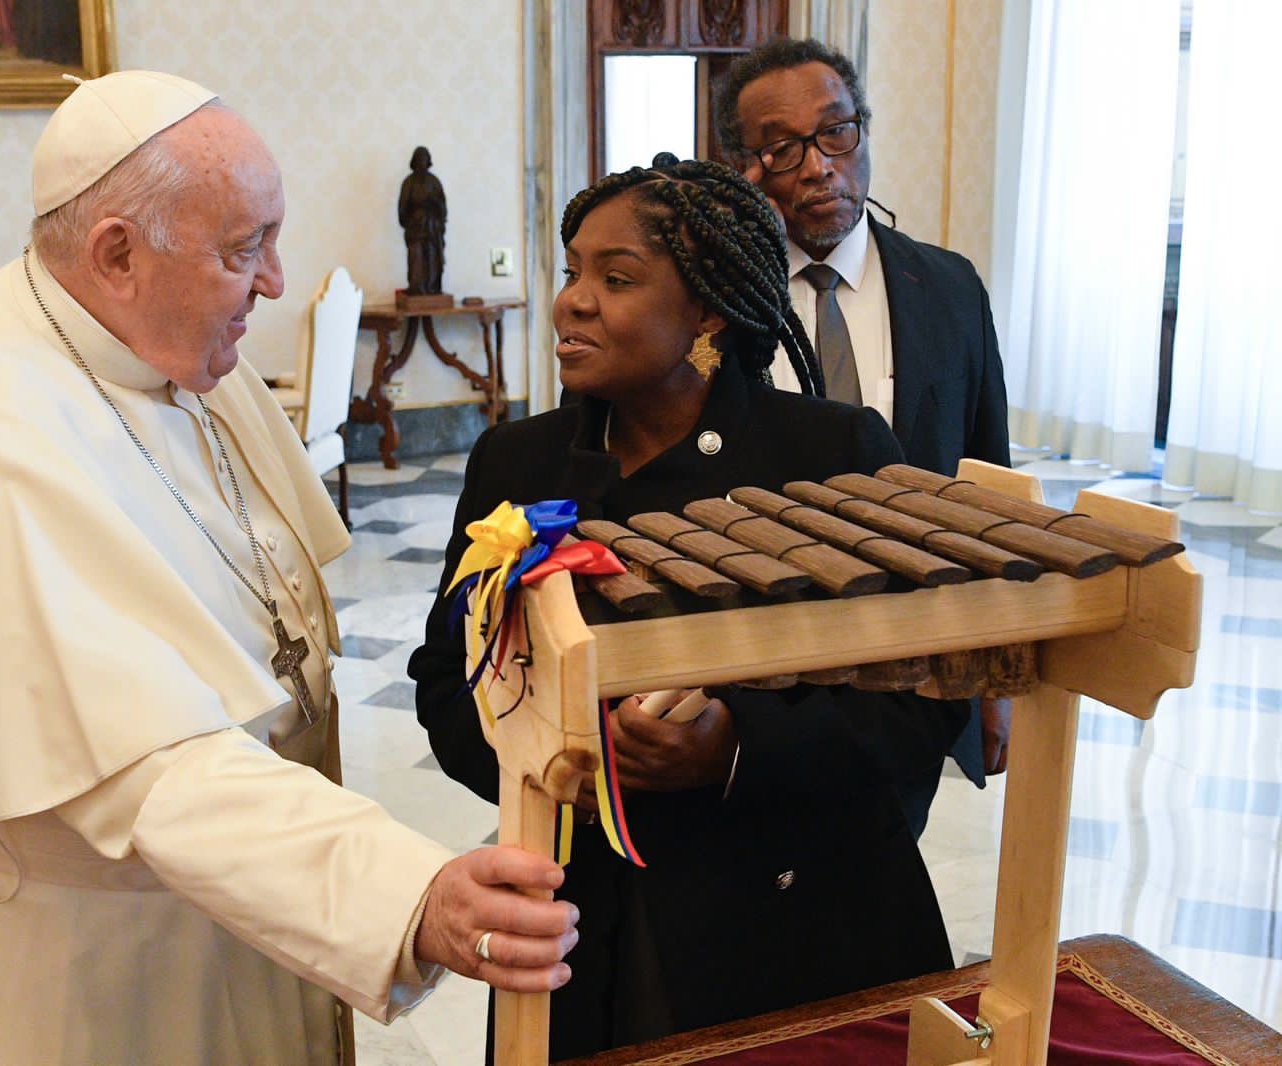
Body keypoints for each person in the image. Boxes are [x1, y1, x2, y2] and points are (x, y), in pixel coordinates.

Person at [0, 70, 577, 1066]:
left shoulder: (158, 343)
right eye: (243, 249)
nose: (274, 280)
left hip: (236, 886)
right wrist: (402, 895)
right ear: (117, 255)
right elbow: (147, 765)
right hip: (91, 949)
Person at [407, 155, 963, 1060]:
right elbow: (446, 680)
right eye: (573, 272)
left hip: (795, 921)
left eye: (617, 279)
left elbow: (925, 701)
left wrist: (735, 749)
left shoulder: (829, 454)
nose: (573, 302)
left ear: (706, 312)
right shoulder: (518, 462)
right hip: (584, 928)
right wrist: (562, 762)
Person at [715, 38, 1014, 832]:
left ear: (863, 130)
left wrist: (994, 678)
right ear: (744, 168)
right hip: (754, 665)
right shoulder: (712, 302)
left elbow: (986, 481)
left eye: (836, 132)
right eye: (782, 149)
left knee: (883, 861)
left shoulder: (948, 287)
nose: (819, 167)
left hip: (908, 669)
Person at [398, 145, 447, 295]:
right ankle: (417, 288)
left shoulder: (434, 182)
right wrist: (410, 221)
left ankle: (432, 288)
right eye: (419, 159)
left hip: (432, 229)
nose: (422, 162)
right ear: (414, 161)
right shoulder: (408, 182)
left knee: (432, 260)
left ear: (428, 161)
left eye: (424, 159)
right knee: (416, 259)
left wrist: (434, 204)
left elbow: (443, 208)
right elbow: (402, 208)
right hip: (415, 228)